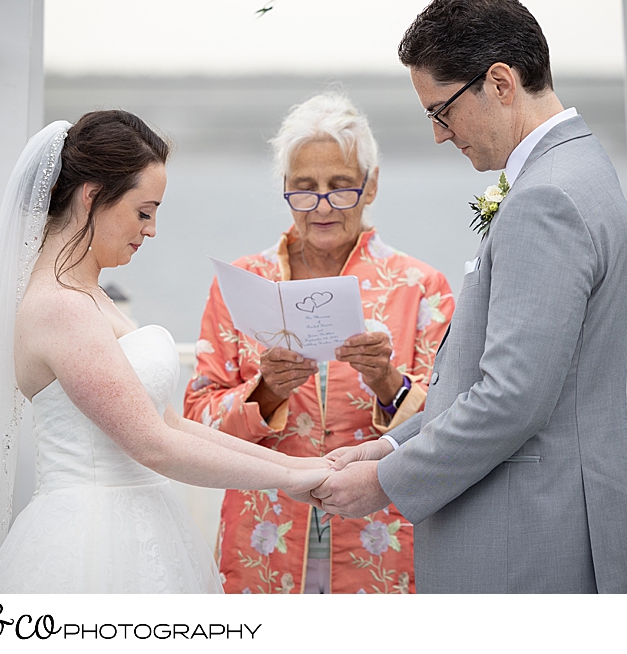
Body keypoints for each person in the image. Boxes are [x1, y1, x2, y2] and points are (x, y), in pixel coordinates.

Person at [313, 0, 627, 593]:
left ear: (499, 82)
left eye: (442, 110)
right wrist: (388, 449)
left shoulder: (545, 199)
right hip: (560, 516)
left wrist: (386, 481)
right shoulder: (582, 170)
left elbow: (510, 399)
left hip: (524, 537)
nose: (439, 133)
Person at [0, 111, 329, 594]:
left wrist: (303, 465)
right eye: (144, 211)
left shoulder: (89, 294)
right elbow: (152, 445)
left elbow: (169, 424)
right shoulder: (60, 306)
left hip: (142, 521)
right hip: (91, 541)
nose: (153, 230)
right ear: (92, 196)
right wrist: (289, 479)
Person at [183, 92, 454, 594]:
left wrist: (388, 383)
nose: (322, 205)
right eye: (304, 188)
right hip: (264, 534)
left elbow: (453, 422)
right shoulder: (241, 282)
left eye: (341, 186)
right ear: (284, 188)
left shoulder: (421, 287)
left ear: (371, 186)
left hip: (384, 534)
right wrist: (267, 393)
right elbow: (196, 416)